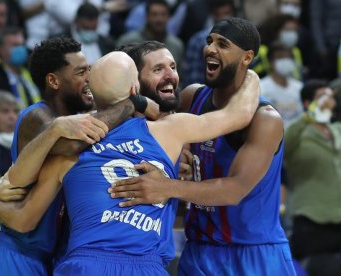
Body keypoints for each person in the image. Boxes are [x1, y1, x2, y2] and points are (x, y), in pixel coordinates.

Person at [2, 50, 260, 275]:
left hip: (83, 265)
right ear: (135, 90)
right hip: (145, 265)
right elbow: (240, 114)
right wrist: (248, 71)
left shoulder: (70, 149)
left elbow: (23, 219)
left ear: (91, 94)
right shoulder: (169, 130)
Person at [109, 17, 297, 275]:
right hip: (198, 250)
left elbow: (235, 190)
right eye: (209, 41)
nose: (210, 48)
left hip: (252, 253)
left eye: (223, 44)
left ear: (247, 57)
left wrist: (168, 187)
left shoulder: (265, 119)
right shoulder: (192, 97)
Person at [0, 37, 156, 275]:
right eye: (80, 72)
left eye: (90, 71)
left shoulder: (86, 116)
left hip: (56, 258)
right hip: (19, 256)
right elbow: (73, 143)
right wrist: (134, 102)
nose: (89, 79)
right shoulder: (36, 116)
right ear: (53, 80)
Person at [285, 80, 341, 276]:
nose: (328, 102)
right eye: (321, 98)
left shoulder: (337, 130)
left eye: (330, 97)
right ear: (308, 103)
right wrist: (309, 117)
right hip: (312, 221)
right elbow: (283, 145)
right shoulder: (297, 131)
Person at [0, 27, 41, 109]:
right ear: (0, 49)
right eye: (15, 45)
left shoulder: (34, 74)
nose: (21, 49)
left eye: (22, 45)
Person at [117, 0, 184, 66]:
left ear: (169, 17)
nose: (159, 19)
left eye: (163, 14)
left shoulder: (176, 46)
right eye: (154, 14)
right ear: (146, 17)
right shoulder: (128, 42)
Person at [260, 42, 303, 128]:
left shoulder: (299, 87)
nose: (285, 61)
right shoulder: (261, 87)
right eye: (280, 58)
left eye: (288, 58)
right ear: (270, 62)